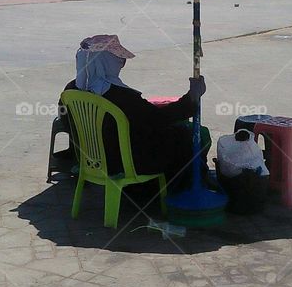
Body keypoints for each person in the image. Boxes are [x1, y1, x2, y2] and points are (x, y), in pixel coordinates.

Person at [62, 35, 209, 191]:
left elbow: (66, 123)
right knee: (185, 135)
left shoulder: (70, 91)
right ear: (106, 61)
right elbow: (158, 119)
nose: (121, 63)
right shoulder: (121, 96)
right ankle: (180, 190)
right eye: (118, 59)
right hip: (126, 163)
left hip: (91, 162)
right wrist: (191, 98)